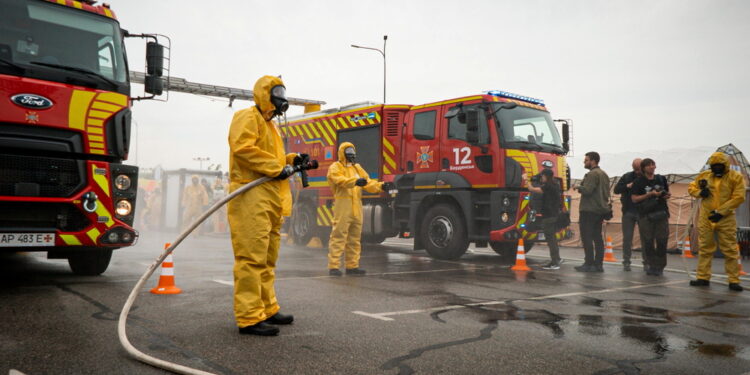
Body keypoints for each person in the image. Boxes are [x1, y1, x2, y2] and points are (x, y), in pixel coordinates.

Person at [227, 75, 304, 336]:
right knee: (251, 258)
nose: (282, 97)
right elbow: (243, 148)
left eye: (283, 92)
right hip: (251, 195)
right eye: (277, 92)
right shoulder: (248, 117)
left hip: (269, 197)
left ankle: (267, 308)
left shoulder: (270, 125)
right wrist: (276, 168)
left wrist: (294, 159)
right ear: (264, 94)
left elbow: (276, 158)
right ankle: (249, 317)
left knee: (268, 259)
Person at [326, 142, 391, 276]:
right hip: (343, 206)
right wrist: (355, 182)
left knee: (355, 239)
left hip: (356, 206)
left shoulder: (357, 168)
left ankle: (352, 266)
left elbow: (368, 182)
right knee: (339, 236)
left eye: (352, 153)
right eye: (348, 153)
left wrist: (382, 186)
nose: (351, 156)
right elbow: (339, 180)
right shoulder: (335, 167)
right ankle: (334, 267)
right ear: (342, 153)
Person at [687, 152, 746, 292]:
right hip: (706, 217)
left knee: (730, 249)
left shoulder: (735, 177)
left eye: (720, 166)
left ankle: (733, 280)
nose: (717, 168)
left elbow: (739, 197)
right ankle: (703, 277)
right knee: (705, 248)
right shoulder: (705, 176)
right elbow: (691, 187)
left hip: (726, 218)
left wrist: (721, 212)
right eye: (715, 166)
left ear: (725, 165)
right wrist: (700, 193)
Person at [631, 158, 671, 276]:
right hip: (645, 215)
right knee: (648, 241)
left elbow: (666, 193)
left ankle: (660, 266)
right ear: (643, 168)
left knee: (662, 240)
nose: (652, 167)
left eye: (653, 164)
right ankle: (651, 265)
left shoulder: (661, 179)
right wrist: (650, 194)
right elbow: (634, 198)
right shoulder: (639, 181)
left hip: (661, 213)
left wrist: (665, 195)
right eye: (648, 165)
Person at [573, 151, 611, 273]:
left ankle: (588, 263)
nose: (584, 162)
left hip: (589, 210)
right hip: (600, 210)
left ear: (593, 161)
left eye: (586, 160)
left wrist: (578, 187)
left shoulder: (592, 174)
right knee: (597, 238)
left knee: (587, 237)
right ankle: (598, 264)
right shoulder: (604, 174)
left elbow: (588, 190)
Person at [525, 168, 563, 270]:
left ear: (546, 176)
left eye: (542, 176)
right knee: (553, 239)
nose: (541, 178)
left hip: (548, 216)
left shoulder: (548, 186)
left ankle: (554, 263)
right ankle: (557, 259)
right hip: (554, 215)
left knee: (550, 239)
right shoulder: (555, 185)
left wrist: (525, 180)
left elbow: (532, 189)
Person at [613, 158, 643, 271]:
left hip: (643, 212)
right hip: (628, 211)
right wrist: (627, 186)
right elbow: (616, 190)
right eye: (635, 169)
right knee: (627, 238)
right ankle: (626, 261)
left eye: (639, 169)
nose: (637, 172)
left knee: (646, 238)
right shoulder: (627, 176)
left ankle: (647, 262)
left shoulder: (648, 178)